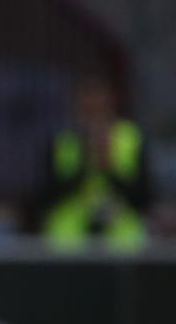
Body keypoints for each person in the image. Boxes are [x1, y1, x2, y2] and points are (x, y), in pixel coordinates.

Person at [36, 75, 150, 251]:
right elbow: (47, 196)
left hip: (122, 247)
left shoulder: (131, 138)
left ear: (110, 103)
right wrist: (86, 159)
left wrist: (109, 167)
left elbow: (144, 197)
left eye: (98, 108)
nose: (94, 116)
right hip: (69, 246)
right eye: (88, 109)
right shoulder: (62, 141)